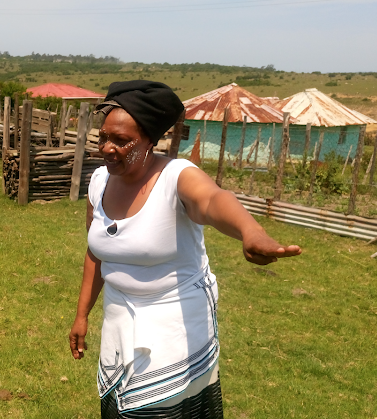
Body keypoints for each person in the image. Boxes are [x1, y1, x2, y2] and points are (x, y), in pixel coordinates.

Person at [68, 80, 301, 418]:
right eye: (104, 137)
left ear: (149, 141)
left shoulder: (175, 176)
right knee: (120, 408)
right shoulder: (100, 181)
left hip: (174, 324)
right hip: (119, 321)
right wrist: (81, 315)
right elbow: (96, 251)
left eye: (121, 141)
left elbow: (215, 200)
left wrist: (251, 231)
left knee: (162, 409)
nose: (107, 148)